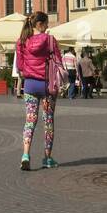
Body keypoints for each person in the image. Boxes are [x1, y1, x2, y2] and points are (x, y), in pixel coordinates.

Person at [16, 11, 63, 170]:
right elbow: (58, 62)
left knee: (30, 120)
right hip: (47, 86)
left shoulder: (22, 41)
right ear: (40, 24)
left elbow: (20, 67)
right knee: (48, 121)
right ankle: (47, 158)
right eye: (47, 23)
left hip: (29, 85)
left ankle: (25, 154)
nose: (48, 26)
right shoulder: (50, 40)